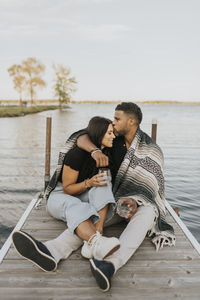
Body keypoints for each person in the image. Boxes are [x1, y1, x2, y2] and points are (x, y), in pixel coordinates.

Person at [12, 102, 175, 292]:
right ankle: (58, 249)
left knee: (149, 210)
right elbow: (81, 138)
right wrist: (95, 151)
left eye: (117, 119)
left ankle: (110, 264)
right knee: (94, 206)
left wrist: (134, 200)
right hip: (109, 202)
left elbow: (151, 187)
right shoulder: (114, 141)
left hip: (133, 203)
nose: (113, 124)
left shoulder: (151, 149)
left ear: (131, 121)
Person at [12, 116, 120, 272]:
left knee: (104, 183)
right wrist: (89, 183)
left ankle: (95, 236)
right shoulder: (77, 155)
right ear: (99, 134)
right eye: (109, 133)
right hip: (60, 196)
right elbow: (67, 189)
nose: (113, 136)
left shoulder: (107, 155)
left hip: (83, 194)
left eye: (114, 133)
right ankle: (96, 242)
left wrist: (93, 184)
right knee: (74, 204)